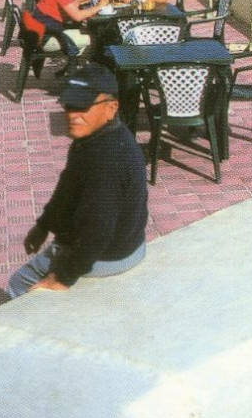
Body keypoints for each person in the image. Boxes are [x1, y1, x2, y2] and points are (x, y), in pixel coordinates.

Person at [9, 65, 148, 297]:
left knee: (18, 283)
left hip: (110, 254)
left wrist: (62, 277)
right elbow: (68, 185)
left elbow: (98, 230)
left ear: (111, 108)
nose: (73, 116)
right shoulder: (97, 137)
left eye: (83, 107)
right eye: (69, 106)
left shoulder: (105, 160)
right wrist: (44, 225)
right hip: (126, 243)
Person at [20, 0, 108, 72]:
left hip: (40, 33)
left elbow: (58, 12)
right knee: (94, 40)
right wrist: (100, 6)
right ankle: (74, 74)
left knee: (86, 32)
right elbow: (77, 16)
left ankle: (69, 70)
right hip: (46, 39)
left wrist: (77, 1)